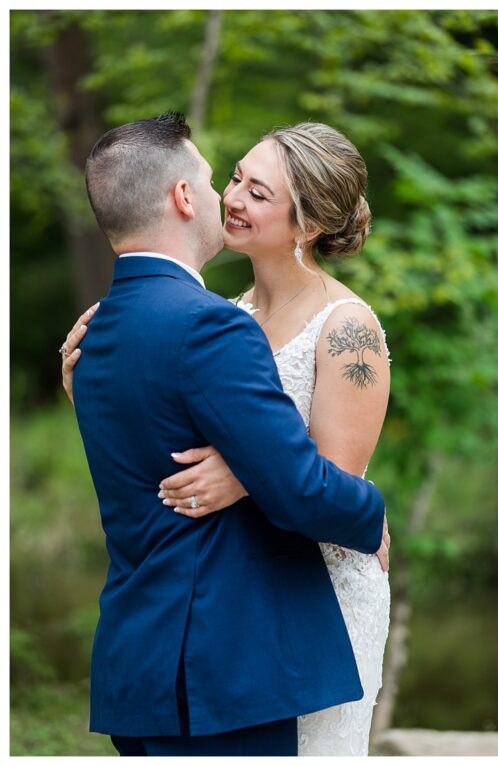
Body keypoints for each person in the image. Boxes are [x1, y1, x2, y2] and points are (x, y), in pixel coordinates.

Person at [60, 112, 388, 756]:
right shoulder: (219, 321)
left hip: (307, 600)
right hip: (232, 640)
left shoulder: (346, 326)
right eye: (233, 178)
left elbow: (329, 483)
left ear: (310, 225)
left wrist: (246, 472)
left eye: (258, 193)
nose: (233, 199)